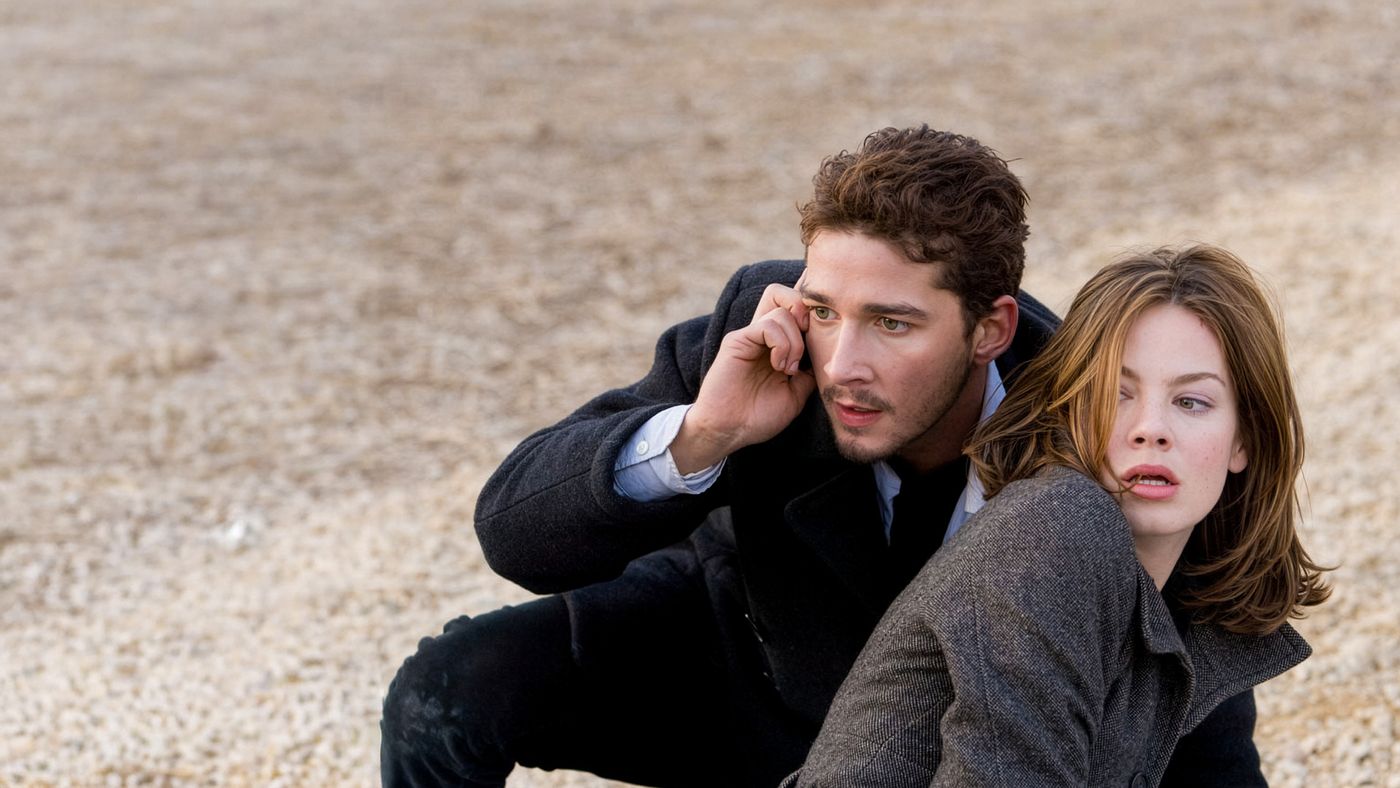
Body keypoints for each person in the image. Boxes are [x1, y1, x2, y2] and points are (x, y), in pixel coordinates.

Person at [379, 126, 1261, 787]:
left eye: (893, 324)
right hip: (742, 666)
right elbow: (513, 534)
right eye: (827, 310)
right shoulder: (764, 335)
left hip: (939, 749)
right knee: (447, 690)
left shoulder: (1095, 412)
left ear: (990, 328)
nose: (843, 364)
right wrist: (706, 432)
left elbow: (1183, 643)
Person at [785, 245, 1331, 787]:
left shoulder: (1189, 594)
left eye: (1191, 402)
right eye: (1116, 394)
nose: (1151, 429)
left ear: (1244, 441)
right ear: (1072, 413)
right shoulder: (1051, 531)